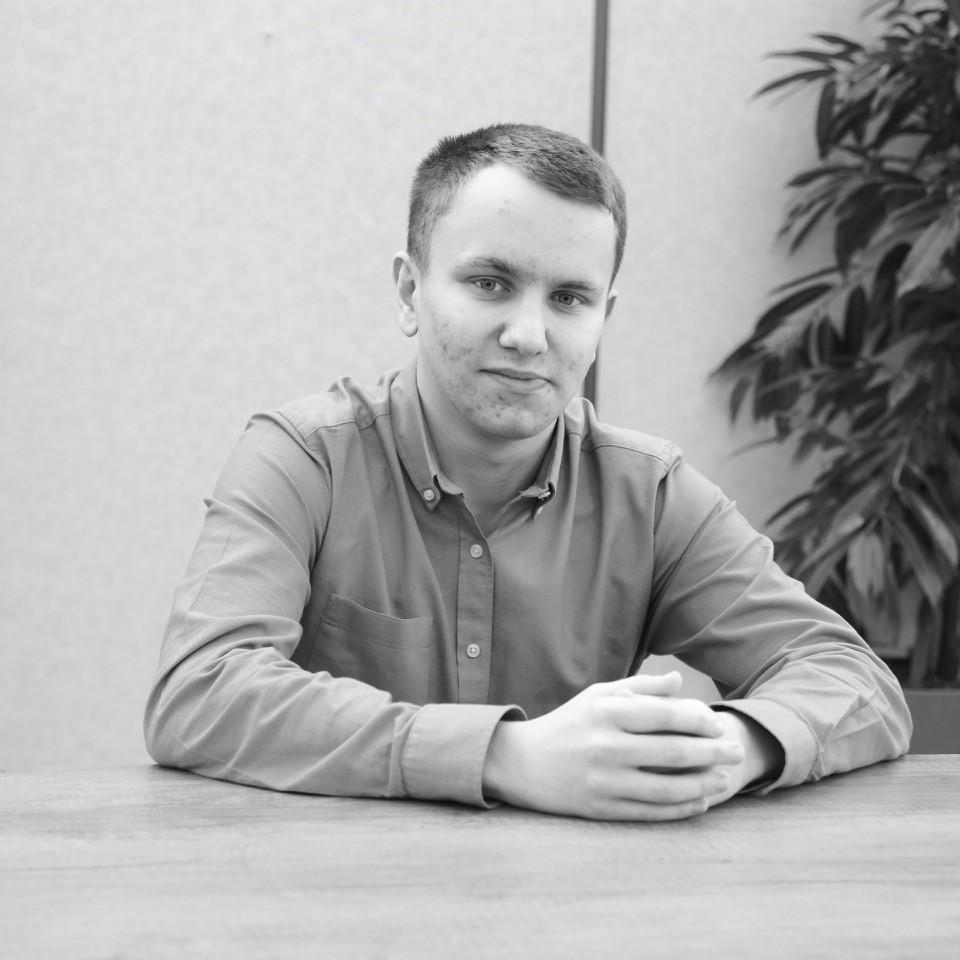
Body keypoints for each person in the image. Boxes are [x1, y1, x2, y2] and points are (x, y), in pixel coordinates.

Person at [144, 123, 911, 821]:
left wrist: (723, 751)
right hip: (328, 908)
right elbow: (200, 691)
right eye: (489, 283)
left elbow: (852, 679)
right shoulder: (303, 458)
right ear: (411, 290)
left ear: (604, 318)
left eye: (571, 298)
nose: (527, 334)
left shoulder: (647, 493)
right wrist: (508, 756)